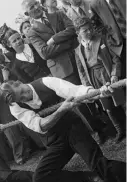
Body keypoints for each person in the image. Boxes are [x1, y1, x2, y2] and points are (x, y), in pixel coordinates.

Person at [0, 77, 126, 182]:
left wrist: (98, 92)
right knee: (41, 178)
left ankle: (103, 175)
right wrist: (61, 110)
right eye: (21, 98)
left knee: (99, 165)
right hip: (54, 139)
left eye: (22, 91)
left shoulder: (46, 82)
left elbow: (75, 91)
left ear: (20, 82)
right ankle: (87, 177)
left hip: (72, 128)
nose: (25, 97)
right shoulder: (14, 106)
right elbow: (41, 125)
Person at [22, 0, 107, 143]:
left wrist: (54, 39)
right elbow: (44, 52)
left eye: (36, 3)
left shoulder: (58, 14)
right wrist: (68, 43)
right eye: (32, 7)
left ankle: (109, 118)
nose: (36, 7)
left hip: (80, 58)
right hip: (62, 69)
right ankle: (98, 129)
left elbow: (73, 29)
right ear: (27, 13)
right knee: (80, 100)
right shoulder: (32, 31)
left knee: (94, 86)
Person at [74, 16, 126, 142]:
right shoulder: (78, 50)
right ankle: (120, 130)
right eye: (85, 30)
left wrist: (114, 74)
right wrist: (88, 88)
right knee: (107, 106)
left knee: (121, 101)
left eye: (90, 28)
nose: (89, 32)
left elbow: (115, 59)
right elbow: (82, 72)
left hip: (107, 73)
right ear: (78, 33)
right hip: (94, 78)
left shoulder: (101, 39)